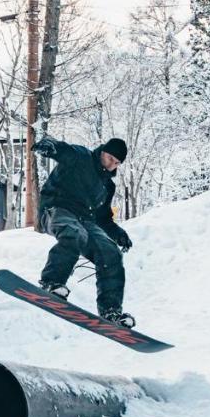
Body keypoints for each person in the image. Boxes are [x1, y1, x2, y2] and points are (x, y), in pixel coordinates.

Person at [34, 135, 135, 328]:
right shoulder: (82, 157)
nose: (112, 165)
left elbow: (103, 217)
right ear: (103, 152)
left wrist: (118, 233)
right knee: (74, 233)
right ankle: (51, 282)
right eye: (110, 159)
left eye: (117, 163)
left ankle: (110, 311)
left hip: (85, 221)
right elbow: (64, 151)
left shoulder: (107, 186)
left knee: (110, 252)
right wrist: (50, 146)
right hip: (56, 209)